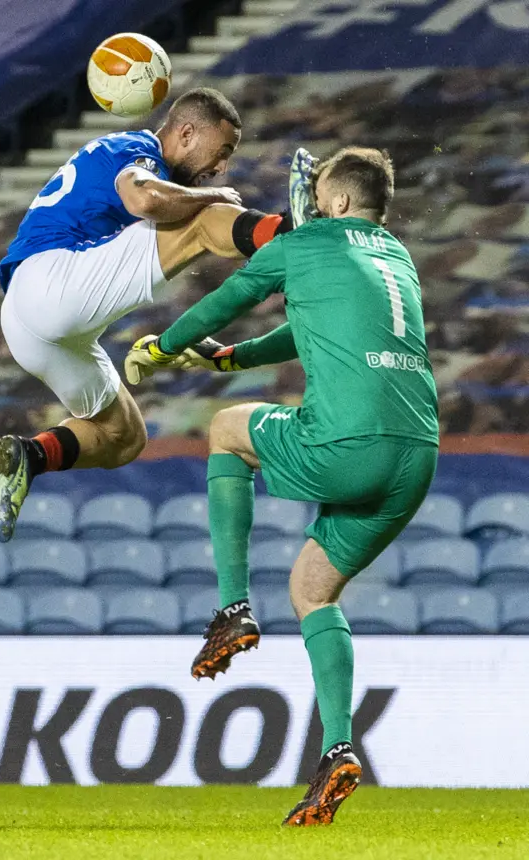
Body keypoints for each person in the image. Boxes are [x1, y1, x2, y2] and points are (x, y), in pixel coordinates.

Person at [125, 146, 439, 827]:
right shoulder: (393, 257)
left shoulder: (309, 242)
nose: (309, 204)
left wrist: (164, 345)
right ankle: (339, 748)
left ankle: (232, 608)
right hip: (416, 456)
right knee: (313, 590)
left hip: (348, 443)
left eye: (318, 194)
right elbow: (313, 327)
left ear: (339, 203)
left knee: (227, 428)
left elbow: (228, 297)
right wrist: (237, 358)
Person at [0, 87, 300, 541]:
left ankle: (29, 456)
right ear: (187, 133)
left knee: (123, 437)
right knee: (207, 214)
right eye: (223, 150)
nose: (222, 166)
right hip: (49, 281)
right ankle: (292, 230)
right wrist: (214, 197)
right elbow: (144, 200)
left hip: (28, 324)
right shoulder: (136, 148)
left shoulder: (128, 155)